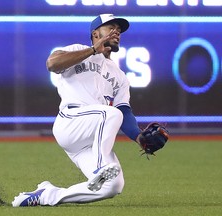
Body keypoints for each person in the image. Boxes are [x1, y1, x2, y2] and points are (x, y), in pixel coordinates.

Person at [12, 13, 144, 207]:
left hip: (92, 137)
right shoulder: (77, 50)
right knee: (109, 114)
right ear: (95, 33)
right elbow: (52, 64)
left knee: (113, 185)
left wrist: (140, 138)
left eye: (119, 29)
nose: (117, 32)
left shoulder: (120, 76)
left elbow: (124, 111)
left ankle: (48, 195)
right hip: (71, 120)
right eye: (111, 27)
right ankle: (102, 167)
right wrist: (92, 50)